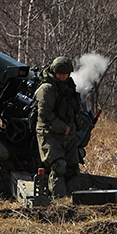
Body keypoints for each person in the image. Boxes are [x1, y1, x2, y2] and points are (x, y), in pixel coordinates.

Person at [34, 57, 86, 198]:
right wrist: (63, 128)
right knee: (58, 165)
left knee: (72, 167)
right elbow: (45, 115)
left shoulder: (69, 85)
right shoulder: (47, 89)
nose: (63, 77)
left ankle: (74, 198)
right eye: (60, 74)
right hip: (49, 133)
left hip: (67, 134)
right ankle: (59, 201)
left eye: (65, 74)